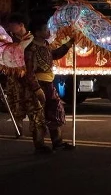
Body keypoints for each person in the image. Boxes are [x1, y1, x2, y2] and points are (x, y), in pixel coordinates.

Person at [22, 19, 73, 153]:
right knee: (38, 116)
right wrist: (36, 89)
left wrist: (68, 44)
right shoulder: (30, 49)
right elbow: (29, 72)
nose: (48, 31)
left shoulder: (45, 45)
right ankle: (39, 146)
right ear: (38, 32)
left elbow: (54, 55)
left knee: (54, 112)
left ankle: (58, 142)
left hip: (49, 84)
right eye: (45, 29)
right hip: (38, 86)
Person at [2, 13, 31, 135]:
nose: (9, 27)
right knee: (15, 101)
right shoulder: (9, 40)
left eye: (12, 25)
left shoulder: (31, 39)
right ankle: (18, 126)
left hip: (28, 76)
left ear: (21, 25)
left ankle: (37, 130)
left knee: (31, 103)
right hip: (14, 77)